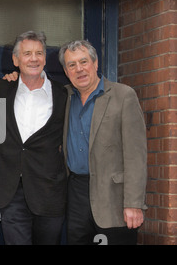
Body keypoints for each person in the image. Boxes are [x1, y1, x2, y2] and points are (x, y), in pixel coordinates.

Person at [59, 40, 147, 245]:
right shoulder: (64, 97)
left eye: (83, 61)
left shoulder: (123, 95)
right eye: (72, 65)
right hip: (76, 193)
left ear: (95, 63)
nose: (79, 69)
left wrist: (134, 203)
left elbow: (136, 155)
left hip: (113, 197)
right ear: (65, 70)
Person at [0, 31, 67, 245]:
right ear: (15, 60)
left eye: (39, 53)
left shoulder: (63, 94)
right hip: (10, 190)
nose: (34, 58)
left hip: (50, 193)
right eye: (27, 53)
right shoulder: (0, 88)